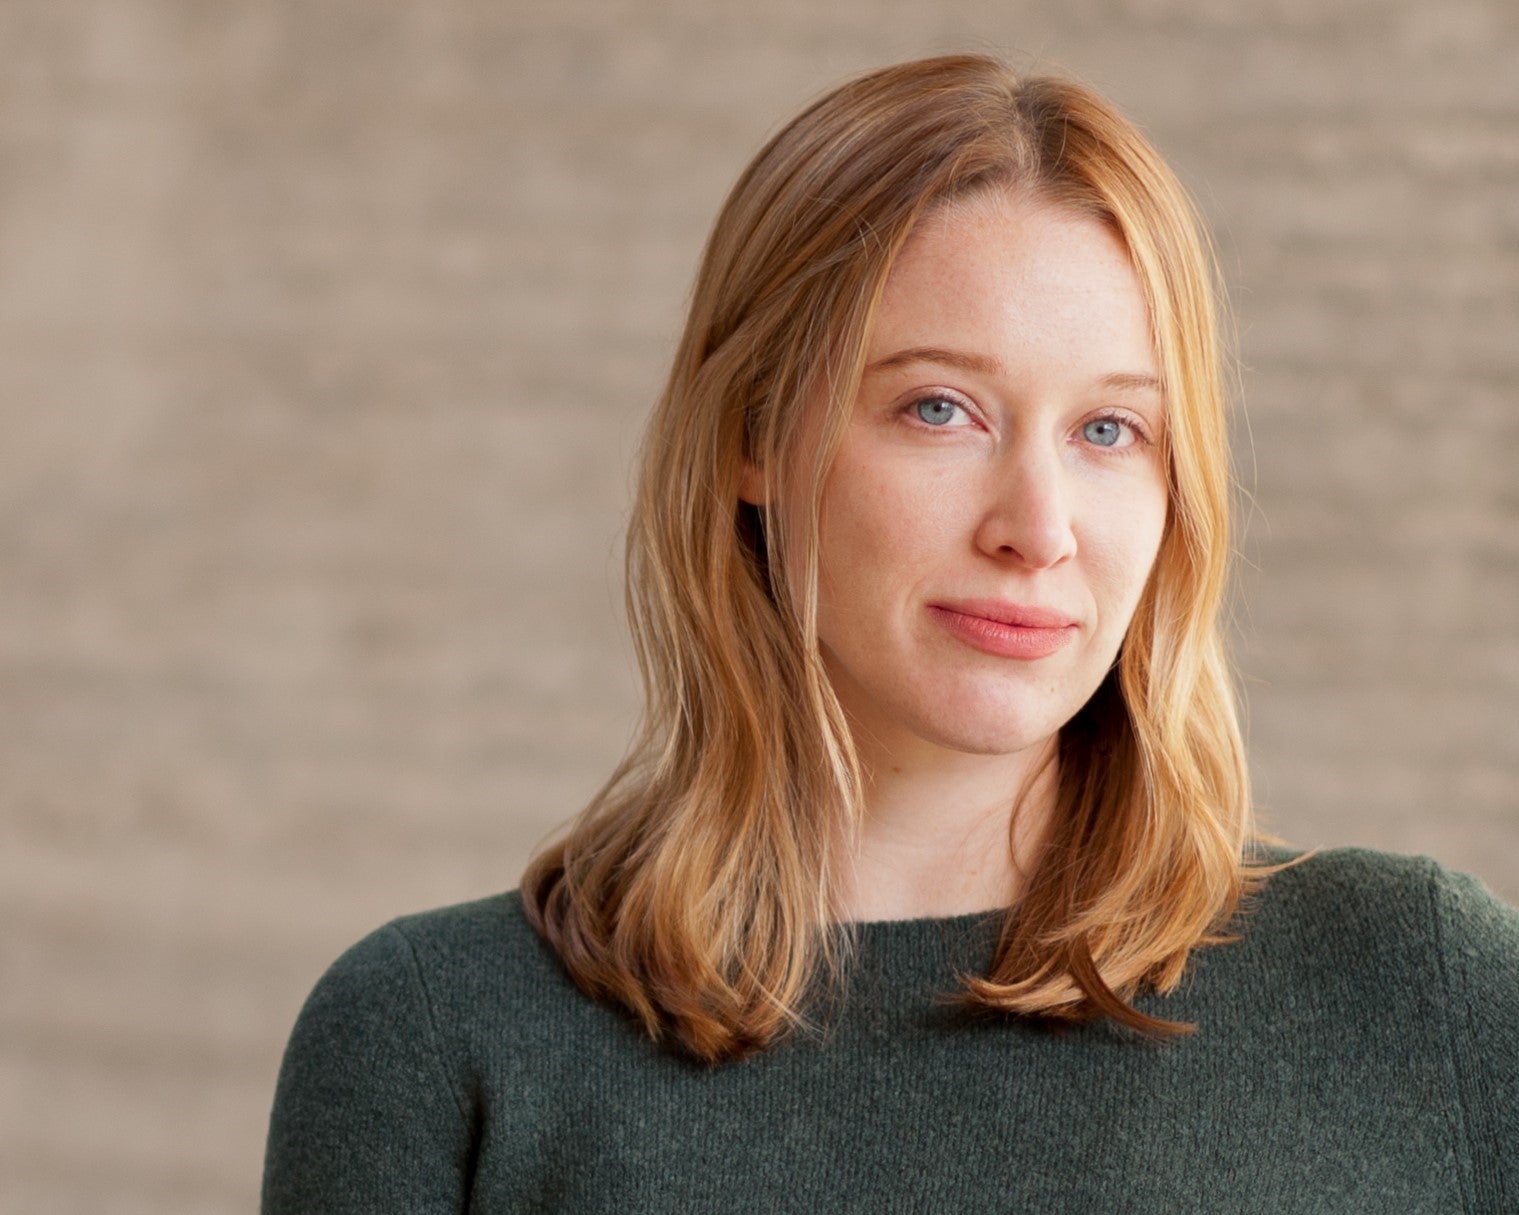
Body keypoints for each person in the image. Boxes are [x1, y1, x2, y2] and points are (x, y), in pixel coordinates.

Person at [261, 53, 1518, 1212]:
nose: (1038, 527)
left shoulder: (1423, 992)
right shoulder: (434, 1039)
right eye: (938, 409)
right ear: (753, 435)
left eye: (1108, 432)